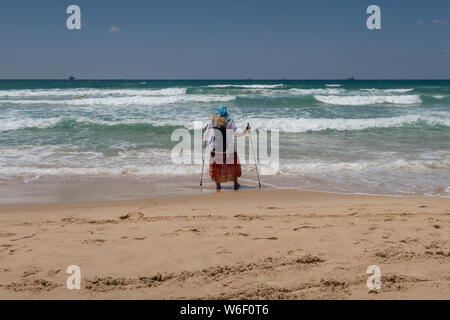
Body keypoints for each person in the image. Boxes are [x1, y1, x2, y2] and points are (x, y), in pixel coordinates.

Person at [204, 106, 249, 190]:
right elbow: (236, 133)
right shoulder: (230, 121)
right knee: (233, 165)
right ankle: (235, 184)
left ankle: (218, 185)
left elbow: (206, 136)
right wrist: (245, 130)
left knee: (217, 166)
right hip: (228, 150)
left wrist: (206, 129)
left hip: (215, 150)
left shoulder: (212, 122)